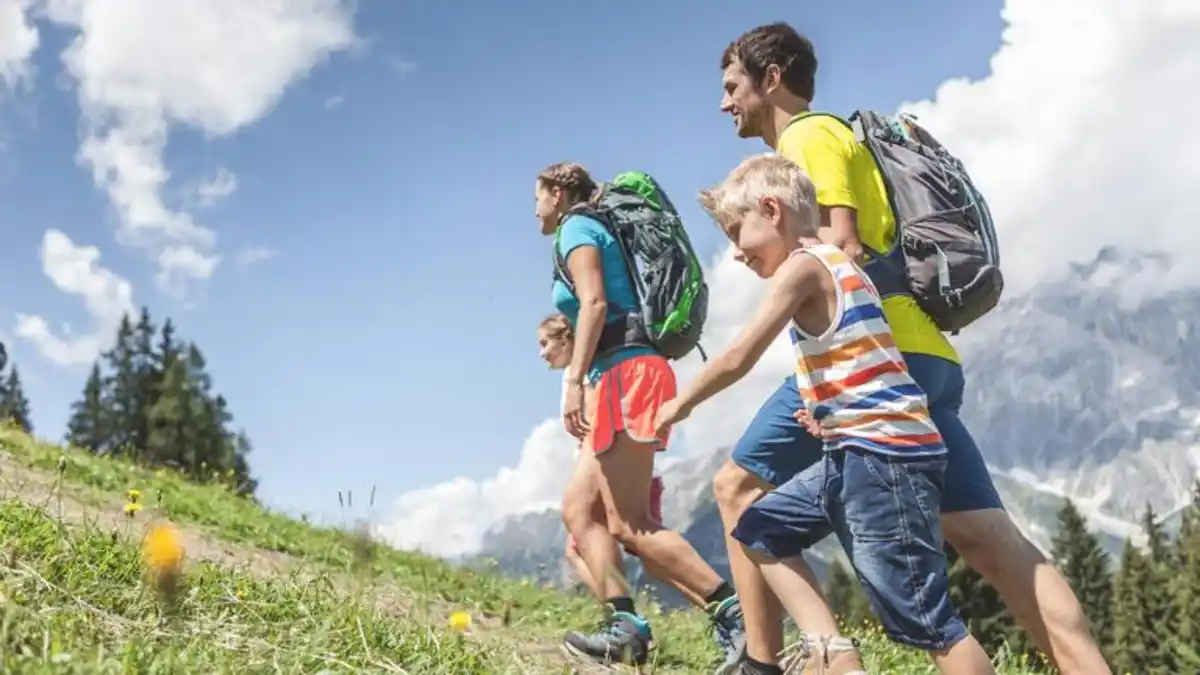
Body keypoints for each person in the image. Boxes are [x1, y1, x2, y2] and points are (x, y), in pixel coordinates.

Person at [711, 21, 1111, 675]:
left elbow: (838, 244)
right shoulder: (839, 136)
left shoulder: (806, 139)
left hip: (875, 361)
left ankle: (765, 662)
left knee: (736, 489)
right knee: (989, 537)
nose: (725, 103)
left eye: (732, 86)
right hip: (926, 355)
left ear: (771, 78)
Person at [656, 152, 997, 675]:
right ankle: (834, 657)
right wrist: (828, 411)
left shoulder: (803, 268)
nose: (737, 255)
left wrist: (677, 406)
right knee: (760, 529)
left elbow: (736, 357)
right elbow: (864, 354)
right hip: (855, 449)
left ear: (771, 209)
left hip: (884, 458)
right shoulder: (839, 263)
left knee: (928, 623)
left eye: (736, 234)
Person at [536, 162, 746, 671]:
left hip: (627, 373)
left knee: (630, 523)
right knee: (579, 512)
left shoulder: (577, 228)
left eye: (537, 197)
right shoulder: (584, 227)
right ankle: (625, 627)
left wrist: (571, 381)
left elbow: (593, 303)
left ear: (559, 194)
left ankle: (736, 613)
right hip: (615, 375)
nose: (535, 209)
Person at [535, 313, 696, 606]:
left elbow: (597, 417)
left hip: (609, 463)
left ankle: (624, 618)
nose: (541, 353)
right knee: (646, 555)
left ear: (566, 339)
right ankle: (623, 617)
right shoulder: (576, 374)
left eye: (545, 343)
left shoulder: (584, 372)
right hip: (608, 462)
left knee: (633, 544)